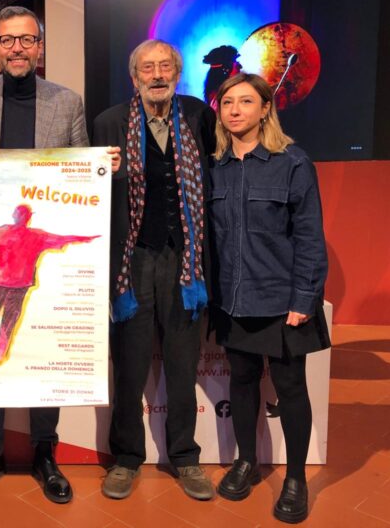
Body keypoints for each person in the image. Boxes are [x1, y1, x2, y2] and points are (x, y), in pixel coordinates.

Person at [0, 5, 108, 505]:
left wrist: (103, 166)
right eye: (7, 40)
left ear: (40, 46)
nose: (17, 48)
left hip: (37, 261)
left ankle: (44, 454)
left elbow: (82, 169)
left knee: (42, 351)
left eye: (26, 39)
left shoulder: (67, 101)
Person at [91, 39, 215, 501]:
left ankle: (185, 457)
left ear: (177, 74)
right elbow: (90, 190)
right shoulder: (108, 123)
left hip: (186, 262)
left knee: (183, 365)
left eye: (166, 67)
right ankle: (126, 458)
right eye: (149, 68)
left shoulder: (199, 117)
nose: (157, 75)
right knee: (129, 366)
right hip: (132, 261)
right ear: (134, 77)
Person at [208, 73, 328, 524]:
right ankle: (246, 461)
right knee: (241, 380)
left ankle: (295, 479)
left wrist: (304, 298)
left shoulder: (293, 162)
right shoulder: (214, 165)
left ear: (264, 109)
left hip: (281, 299)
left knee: (291, 388)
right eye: (227, 102)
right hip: (232, 299)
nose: (235, 110)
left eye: (245, 101)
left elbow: (309, 237)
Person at [0, 204, 98, 370]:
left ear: (26, 217)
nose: (20, 216)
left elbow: (63, 239)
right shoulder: (8, 231)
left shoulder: (35, 235)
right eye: (19, 213)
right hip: (3, 282)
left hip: (18, 285)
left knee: (6, 321)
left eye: (22, 214)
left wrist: (82, 238)